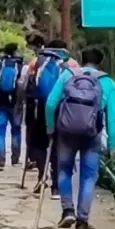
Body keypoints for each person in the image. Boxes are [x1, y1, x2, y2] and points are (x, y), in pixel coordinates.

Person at [44, 46, 115, 229]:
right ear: (100, 63)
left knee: (64, 170)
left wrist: (51, 127)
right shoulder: (107, 82)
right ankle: (82, 222)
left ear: (82, 59)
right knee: (88, 176)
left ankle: (67, 210)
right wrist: (112, 145)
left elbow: (51, 103)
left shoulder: (68, 74)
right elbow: (113, 118)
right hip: (92, 135)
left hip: (66, 132)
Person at [23, 36, 74, 194]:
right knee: (58, 147)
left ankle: (41, 176)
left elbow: (23, 85)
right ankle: (56, 188)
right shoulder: (71, 64)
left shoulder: (36, 62)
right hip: (61, 111)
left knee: (39, 144)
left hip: (39, 109)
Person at [0, 42, 24, 171]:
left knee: (0, 132)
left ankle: (0, 160)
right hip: (15, 105)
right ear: (16, 51)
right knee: (16, 131)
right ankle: (15, 159)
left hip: (0, 103)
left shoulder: (0, 65)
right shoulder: (20, 66)